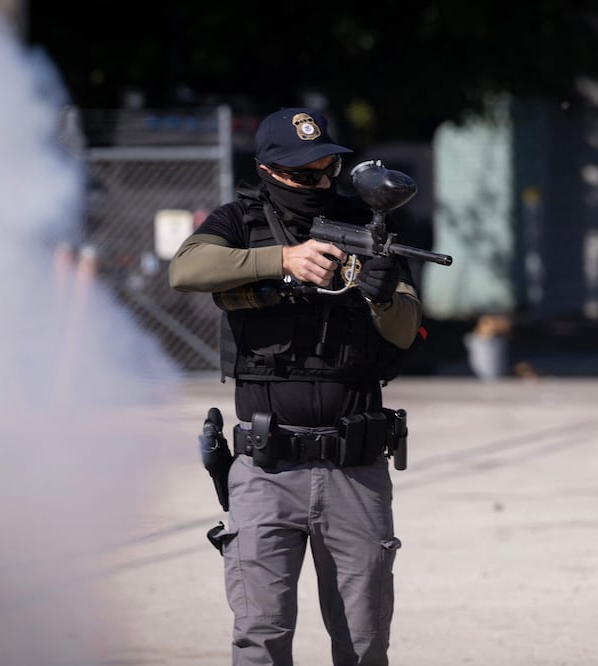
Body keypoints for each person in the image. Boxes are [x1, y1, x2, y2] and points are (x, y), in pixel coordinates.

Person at [169, 106, 422, 666]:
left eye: (329, 171)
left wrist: (381, 290)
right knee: (260, 639)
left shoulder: (366, 227)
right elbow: (185, 269)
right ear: (269, 170)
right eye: (305, 175)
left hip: (355, 468)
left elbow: (405, 330)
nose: (321, 184)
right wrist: (283, 258)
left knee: (363, 644)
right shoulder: (240, 220)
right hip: (265, 468)